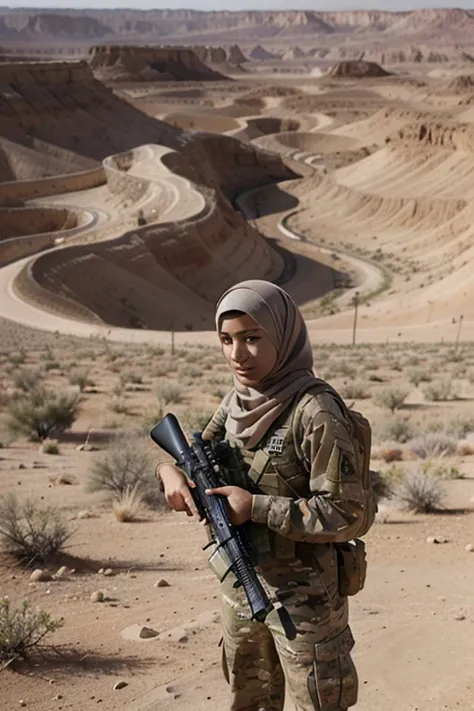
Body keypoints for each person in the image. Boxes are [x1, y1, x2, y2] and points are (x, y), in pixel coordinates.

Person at [157, 280, 374, 711]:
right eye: (226, 340)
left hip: (306, 600)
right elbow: (194, 449)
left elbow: (350, 514)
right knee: (250, 701)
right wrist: (169, 474)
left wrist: (253, 507)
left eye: (252, 339)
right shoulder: (237, 402)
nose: (237, 354)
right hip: (241, 586)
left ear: (283, 336)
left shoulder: (315, 412)